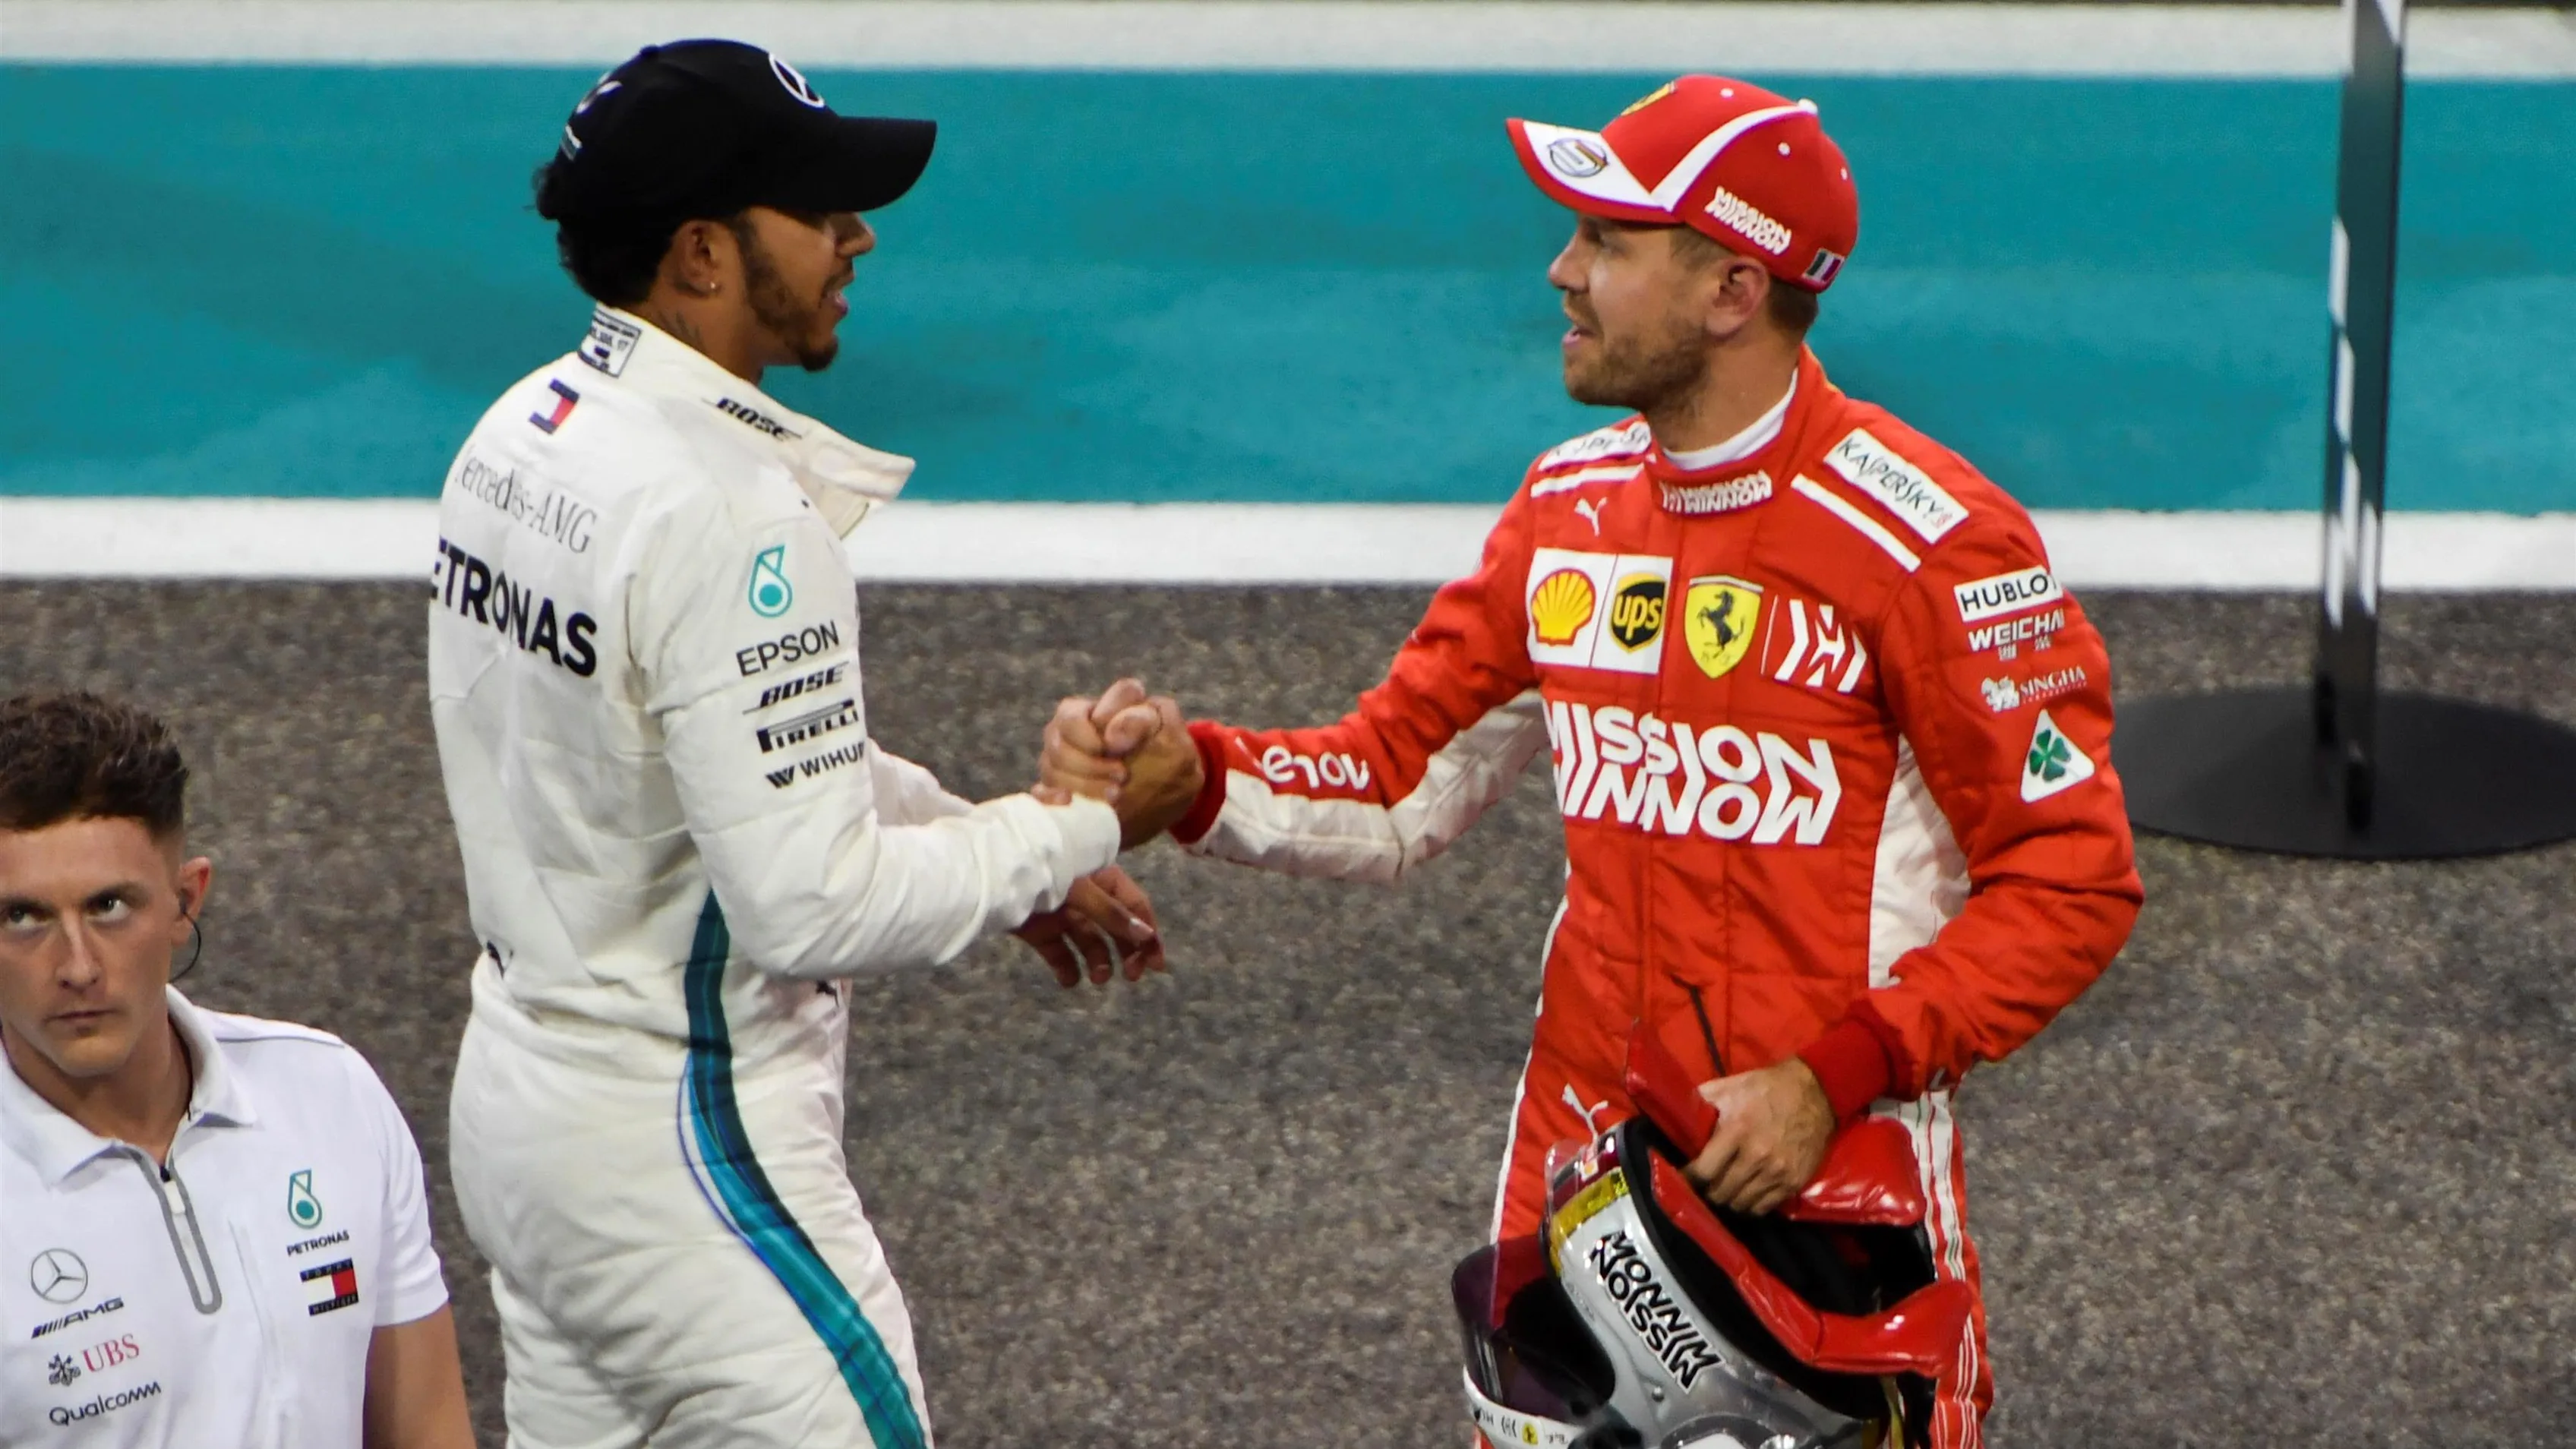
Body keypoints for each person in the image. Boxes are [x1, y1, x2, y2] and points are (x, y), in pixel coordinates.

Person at [1043, 76, 2142, 1447]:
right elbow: (1393, 780)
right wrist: (1189, 780)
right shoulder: (1564, 510)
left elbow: (2071, 882)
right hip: (1573, 1177)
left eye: (1607, 242)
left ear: (1730, 290)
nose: (1561, 271)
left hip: (1830, 1187)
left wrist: (1832, 1075)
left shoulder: (1936, 545)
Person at [428, 39, 1200, 1449]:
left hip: (524, 1117)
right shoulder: (732, 511)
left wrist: (998, 849)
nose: (857, 234)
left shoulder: (522, 433)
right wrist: (1079, 821)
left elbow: (715, 760)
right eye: (816, 206)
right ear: (704, 255)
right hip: (686, 1154)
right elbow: (806, 901)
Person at [0, 691, 472, 1448]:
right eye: (24, 917)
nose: (78, 968)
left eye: (111, 906)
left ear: (186, 900)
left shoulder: (331, 1098)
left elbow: (426, 1431)